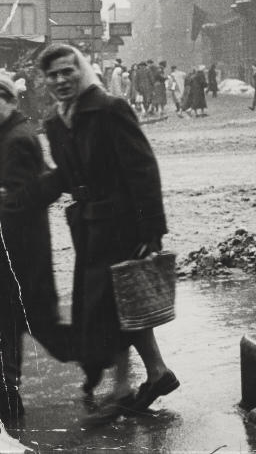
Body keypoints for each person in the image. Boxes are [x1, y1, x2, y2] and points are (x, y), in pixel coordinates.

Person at [26, 44, 178, 419]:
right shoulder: (57, 121)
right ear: (44, 81)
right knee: (115, 306)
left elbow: (142, 168)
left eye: (67, 71)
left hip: (122, 224)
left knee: (112, 305)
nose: (61, 80)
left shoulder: (110, 109)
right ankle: (152, 374)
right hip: (89, 229)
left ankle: (125, 385)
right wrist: (22, 197)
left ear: (81, 70)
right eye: (53, 75)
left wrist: (152, 229)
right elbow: (66, 175)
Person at [0, 73, 74, 427]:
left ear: (11, 101)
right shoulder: (12, 134)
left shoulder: (17, 139)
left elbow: (22, 199)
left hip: (21, 252)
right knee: (15, 323)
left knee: (37, 327)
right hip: (20, 252)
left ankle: (101, 352)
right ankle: (8, 397)